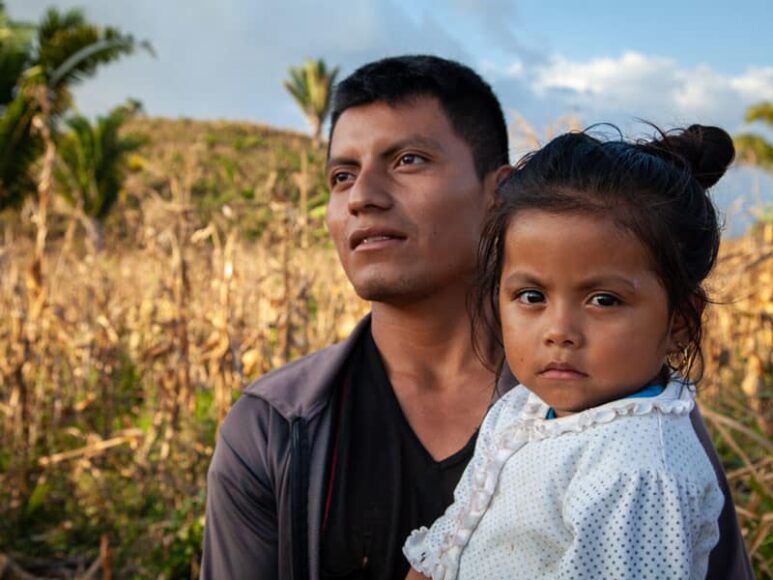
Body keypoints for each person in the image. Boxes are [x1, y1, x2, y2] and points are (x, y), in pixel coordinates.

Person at [200, 55, 751, 580]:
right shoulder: (272, 428)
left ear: (499, 192)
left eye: (407, 160)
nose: (361, 197)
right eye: (342, 175)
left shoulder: (630, 418)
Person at [403, 126, 751, 579]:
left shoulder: (640, 469)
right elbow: (453, 540)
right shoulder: (523, 408)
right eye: (531, 296)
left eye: (603, 300)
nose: (559, 331)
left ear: (679, 323)